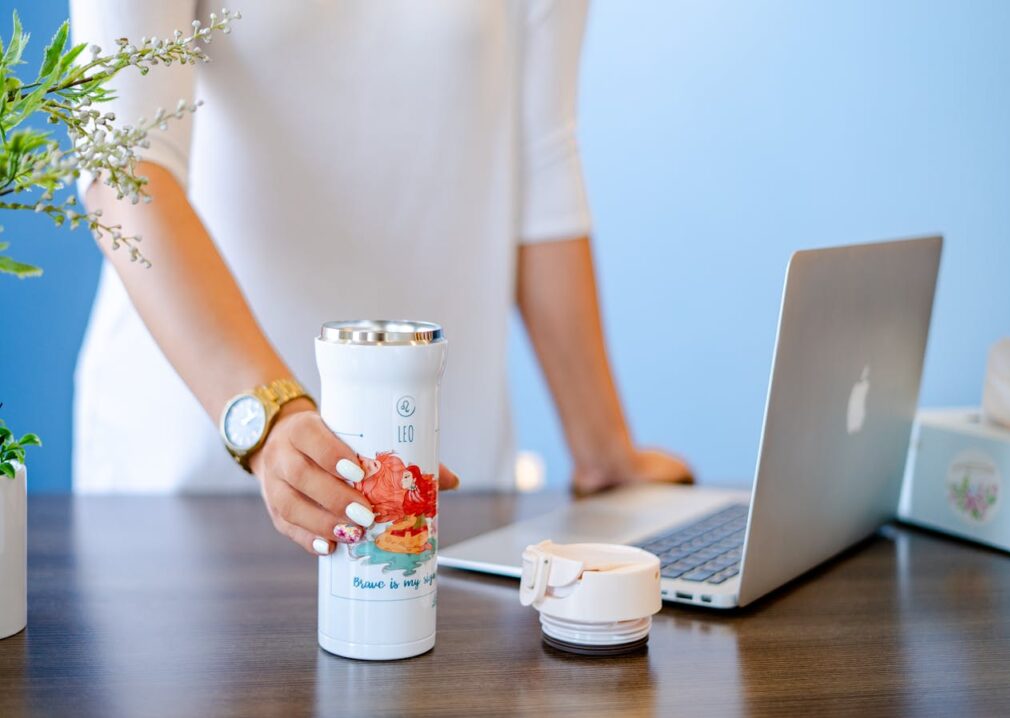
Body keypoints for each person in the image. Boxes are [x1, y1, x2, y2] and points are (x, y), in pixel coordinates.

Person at [70, 0, 692, 556]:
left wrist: (605, 453)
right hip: (188, 479)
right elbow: (125, 166)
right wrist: (271, 417)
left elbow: (542, 167)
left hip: (442, 479)